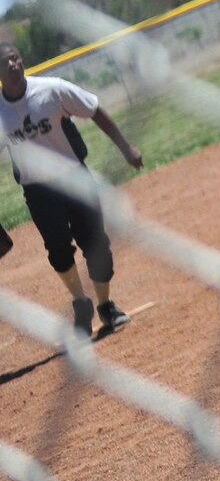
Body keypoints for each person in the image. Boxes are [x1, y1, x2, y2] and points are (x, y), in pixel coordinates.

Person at [0, 44, 144, 337]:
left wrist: (126, 148)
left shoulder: (51, 90)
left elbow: (94, 110)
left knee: (97, 244)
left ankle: (106, 305)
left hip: (75, 177)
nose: (13, 64)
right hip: (38, 190)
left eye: (16, 57)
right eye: (5, 61)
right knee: (58, 250)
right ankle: (81, 303)